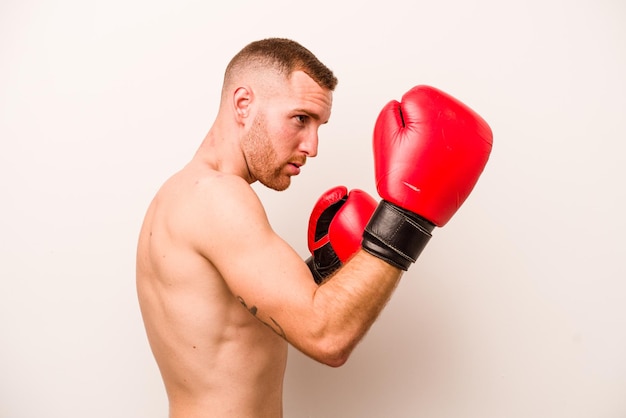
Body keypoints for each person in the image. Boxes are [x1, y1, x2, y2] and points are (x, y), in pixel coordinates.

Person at [136, 38, 492, 418]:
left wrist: (322, 270)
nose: (313, 145)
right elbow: (327, 337)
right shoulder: (218, 198)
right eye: (300, 119)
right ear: (243, 104)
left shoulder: (181, 193)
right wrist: (408, 216)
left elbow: (230, 327)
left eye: (319, 125)